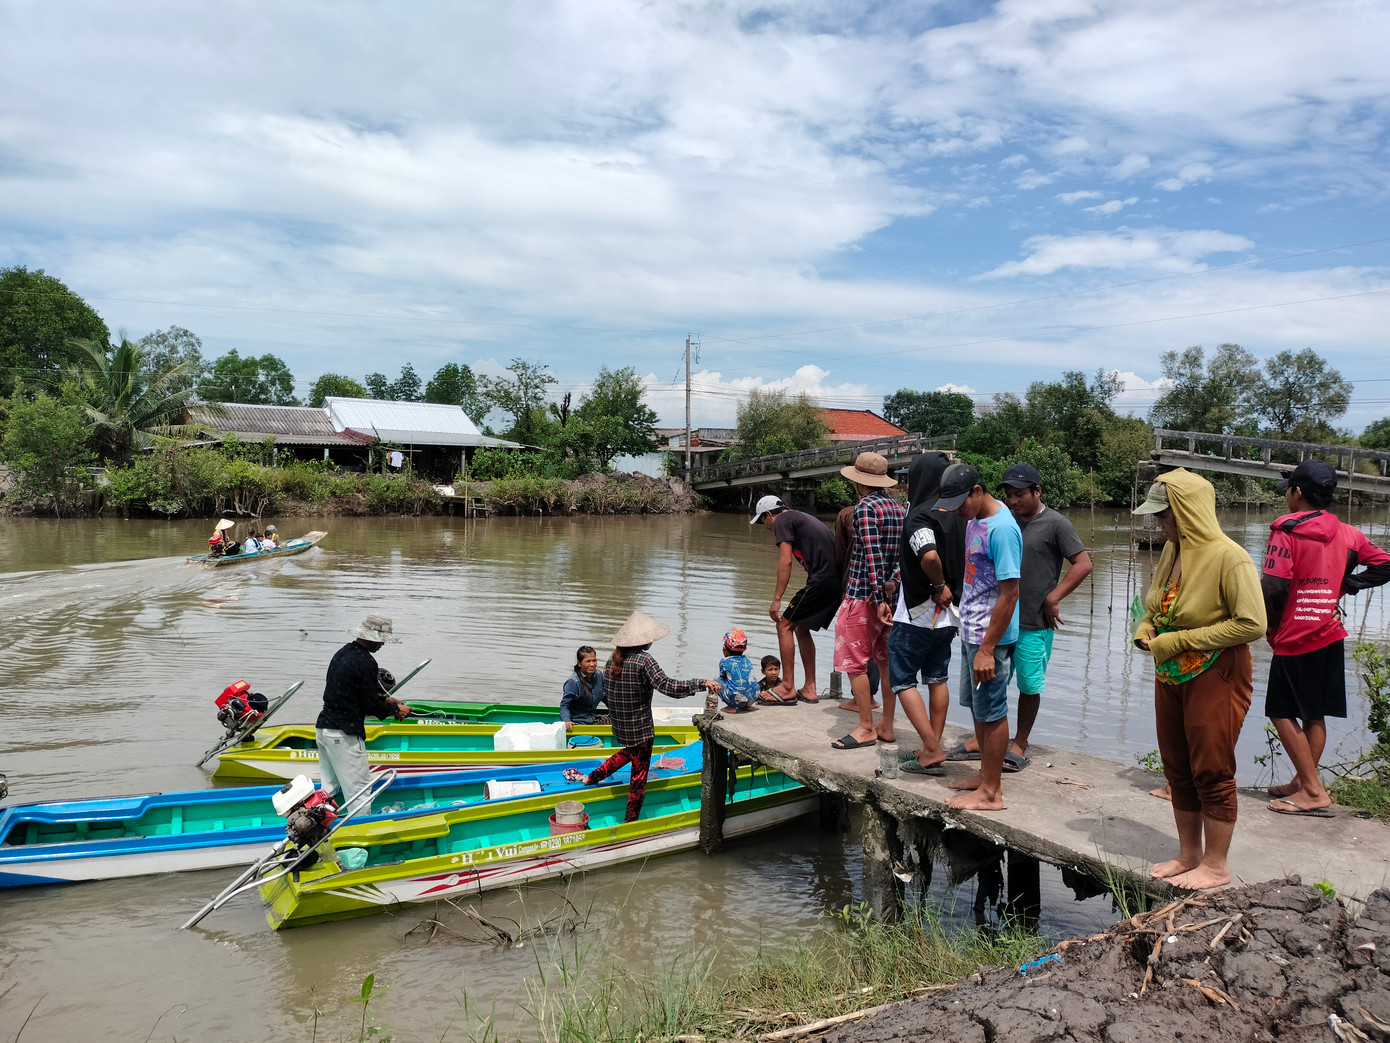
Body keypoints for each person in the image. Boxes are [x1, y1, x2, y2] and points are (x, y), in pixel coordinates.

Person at [1132, 469, 1266, 890]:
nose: (1159, 524)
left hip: (1216, 672)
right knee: (1177, 766)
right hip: (1171, 670)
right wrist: (1145, 627)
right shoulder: (1173, 551)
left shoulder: (1231, 557)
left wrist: (1181, 641)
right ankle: (1189, 854)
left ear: (1187, 512)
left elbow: (1252, 623)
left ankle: (1216, 864)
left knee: (1212, 767)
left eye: (1163, 515)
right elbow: (1157, 607)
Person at [1261, 460, 1390, 816]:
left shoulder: (1286, 530)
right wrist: (1344, 586)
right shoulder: (1349, 534)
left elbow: (1273, 586)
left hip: (1294, 633)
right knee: (1313, 713)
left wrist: (1268, 628)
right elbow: (1386, 564)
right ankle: (1303, 783)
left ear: (1297, 492)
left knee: (1280, 710)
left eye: (1288, 489)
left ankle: (1314, 791)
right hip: (1329, 632)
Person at [950, 464, 1093, 771]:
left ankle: (1020, 742)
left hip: (1032, 620)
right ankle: (983, 740)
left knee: (1029, 684)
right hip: (999, 621)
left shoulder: (1056, 523)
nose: (1014, 501)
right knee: (988, 686)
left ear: (1037, 491)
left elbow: (1083, 563)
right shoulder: (1002, 520)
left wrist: (1054, 597)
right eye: (1009, 495)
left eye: (1020, 495)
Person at [931, 463, 1021, 811]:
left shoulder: (1002, 529)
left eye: (960, 503)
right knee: (978, 708)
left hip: (991, 639)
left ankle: (992, 793)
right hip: (971, 630)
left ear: (978, 492)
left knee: (993, 709)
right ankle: (985, 777)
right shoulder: (973, 521)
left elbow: (1010, 593)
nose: (956, 512)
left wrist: (987, 648)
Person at [576, 611, 720, 821]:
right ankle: (630, 820)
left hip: (621, 727)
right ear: (645, 641)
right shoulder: (644, 660)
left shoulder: (612, 659)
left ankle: (592, 778)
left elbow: (611, 693)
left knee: (628, 753)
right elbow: (668, 686)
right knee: (639, 779)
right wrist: (701, 683)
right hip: (641, 729)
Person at [882, 452, 965, 775]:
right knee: (937, 677)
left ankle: (931, 749)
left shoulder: (920, 515)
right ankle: (932, 744)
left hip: (920, 611)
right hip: (949, 616)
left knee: (902, 679)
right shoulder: (956, 514)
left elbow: (928, 555)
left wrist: (937, 583)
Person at [831, 452, 905, 750]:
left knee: (853, 661)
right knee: (885, 663)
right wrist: (892, 588)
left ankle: (865, 727)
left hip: (864, 597)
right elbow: (901, 558)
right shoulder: (900, 509)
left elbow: (872, 556)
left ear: (858, 483)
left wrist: (877, 597)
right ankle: (886, 724)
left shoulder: (864, 509)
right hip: (894, 599)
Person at [315, 614, 412, 809]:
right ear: (372, 637)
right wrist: (395, 709)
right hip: (344, 734)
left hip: (324, 728)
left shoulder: (342, 653)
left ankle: (319, 825)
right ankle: (361, 833)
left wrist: (386, 700)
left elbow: (351, 696)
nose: (382, 645)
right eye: (381, 640)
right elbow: (370, 707)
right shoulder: (366, 662)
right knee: (360, 793)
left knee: (328, 789)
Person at [754, 495, 840, 705]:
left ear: (768, 515)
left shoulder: (783, 521)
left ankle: (787, 687)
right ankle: (810, 688)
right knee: (801, 628)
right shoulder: (798, 518)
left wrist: (776, 599)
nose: (764, 526)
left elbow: (785, 562)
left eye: (761, 521)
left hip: (823, 580)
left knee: (784, 625)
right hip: (837, 582)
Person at [834, 497, 882, 710]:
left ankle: (860, 702)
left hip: (858, 588)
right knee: (878, 649)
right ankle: (871, 697)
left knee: (856, 651)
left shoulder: (847, 513)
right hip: (888, 591)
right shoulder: (896, 511)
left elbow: (840, 553)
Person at [560, 645, 609, 732]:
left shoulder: (599, 675)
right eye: (588, 661)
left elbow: (604, 696)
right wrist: (567, 721)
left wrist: (617, 710)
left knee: (620, 722)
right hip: (579, 722)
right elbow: (564, 705)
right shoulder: (573, 682)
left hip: (592, 717)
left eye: (594, 660)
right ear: (579, 663)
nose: (592, 664)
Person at [716, 628, 760, 713]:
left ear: (725, 648)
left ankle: (731, 707)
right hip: (754, 697)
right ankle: (746, 706)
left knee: (717, 681)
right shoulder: (747, 660)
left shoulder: (724, 662)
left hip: (736, 699)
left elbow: (723, 677)